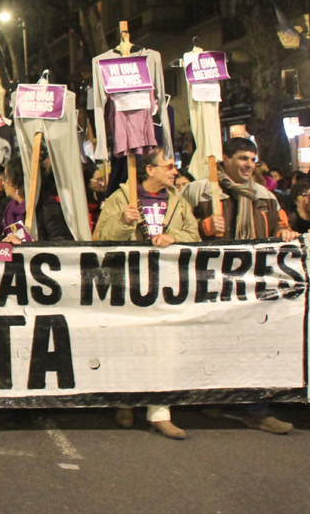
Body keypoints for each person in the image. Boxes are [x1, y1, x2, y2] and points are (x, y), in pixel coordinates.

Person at [182, 137, 296, 434]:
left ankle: (256, 410)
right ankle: (210, 398)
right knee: (211, 343)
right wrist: (204, 228)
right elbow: (177, 229)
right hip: (209, 284)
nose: (248, 165)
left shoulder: (265, 197)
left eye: (252, 159)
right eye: (243, 158)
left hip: (252, 288)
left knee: (253, 345)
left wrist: (285, 232)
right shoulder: (199, 191)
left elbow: (279, 227)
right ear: (226, 160)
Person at [92, 148, 198, 440]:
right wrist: (124, 222)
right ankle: (126, 401)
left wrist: (174, 237)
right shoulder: (120, 198)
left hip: (167, 287)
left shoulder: (178, 201)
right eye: (168, 166)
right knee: (128, 343)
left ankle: (160, 411)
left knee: (164, 346)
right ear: (149, 170)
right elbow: (100, 238)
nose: (174, 171)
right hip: (130, 285)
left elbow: (195, 235)